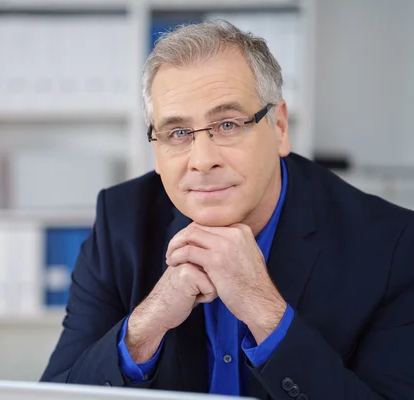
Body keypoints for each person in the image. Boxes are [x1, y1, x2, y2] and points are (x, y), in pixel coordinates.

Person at [40, 20, 414, 399]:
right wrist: (145, 327)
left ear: (280, 127)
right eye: (178, 133)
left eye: (228, 124)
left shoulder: (394, 248)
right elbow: (55, 394)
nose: (202, 161)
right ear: (156, 148)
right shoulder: (118, 222)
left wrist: (265, 312)